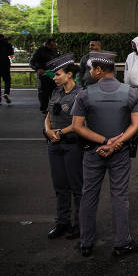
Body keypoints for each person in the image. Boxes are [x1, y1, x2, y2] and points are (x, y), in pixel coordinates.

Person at [71, 51, 138, 257]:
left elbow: (77, 127)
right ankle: (122, 242)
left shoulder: (84, 94)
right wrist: (116, 143)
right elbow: (136, 124)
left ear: (99, 70)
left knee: (89, 195)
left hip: (93, 152)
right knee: (119, 196)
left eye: (91, 68)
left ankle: (86, 243)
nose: (90, 72)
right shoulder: (131, 93)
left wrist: (104, 142)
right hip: (119, 153)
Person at [43, 54, 83, 241]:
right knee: (60, 186)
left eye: (58, 74)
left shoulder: (80, 94)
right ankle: (62, 222)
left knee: (76, 186)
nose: (55, 77)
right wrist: (48, 130)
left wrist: (59, 133)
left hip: (72, 145)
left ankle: (80, 224)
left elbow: (80, 122)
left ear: (69, 74)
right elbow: (48, 115)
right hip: (54, 145)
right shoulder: (55, 93)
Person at [30, 38, 59, 114]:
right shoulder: (39, 51)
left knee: (54, 91)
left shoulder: (54, 50)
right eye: (52, 45)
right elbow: (31, 62)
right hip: (43, 74)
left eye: (54, 45)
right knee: (43, 92)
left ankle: (53, 107)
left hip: (53, 73)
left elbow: (57, 59)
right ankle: (44, 108)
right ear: (47, 44)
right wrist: (37, 69)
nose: (53, 47)